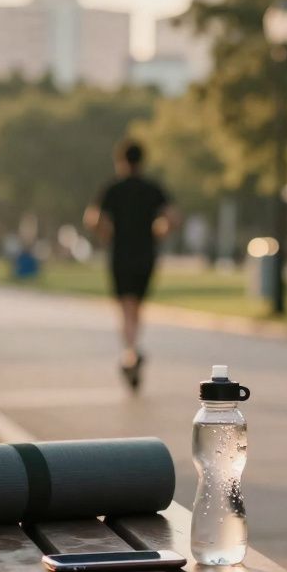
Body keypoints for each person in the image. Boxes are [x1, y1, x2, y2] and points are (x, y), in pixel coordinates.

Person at [84, 140, 177, 392]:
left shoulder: (113, 188)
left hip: (121, 254)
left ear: (120, 161)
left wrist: (107, 234)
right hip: (146, 254)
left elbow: (93, 219)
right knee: (136, 305)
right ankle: (133, 349)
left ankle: (130, 352)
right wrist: (158, 233)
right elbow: (172, 217)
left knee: (126, 306)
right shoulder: (153, 188)